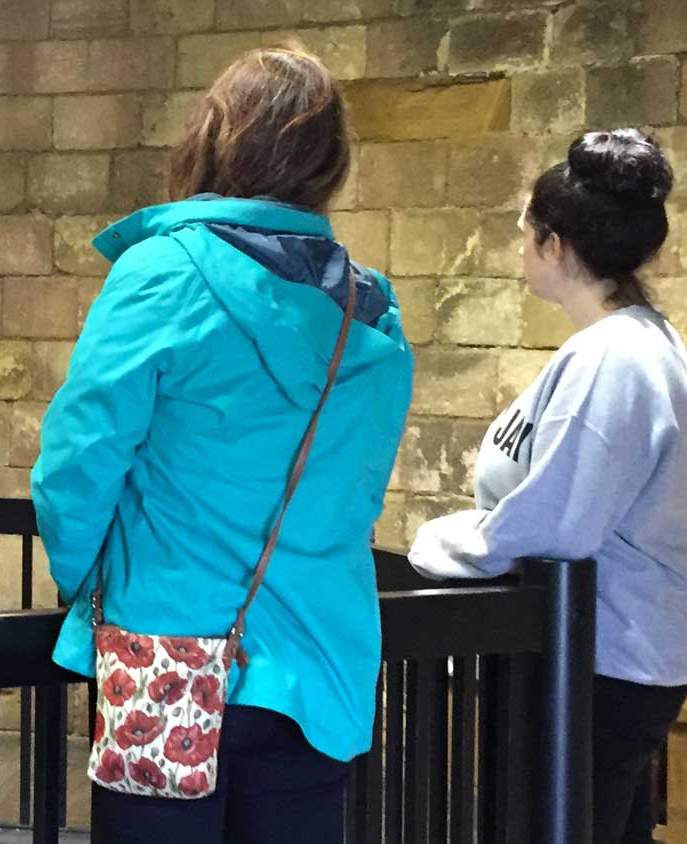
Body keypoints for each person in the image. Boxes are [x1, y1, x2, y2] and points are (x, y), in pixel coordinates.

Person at [31, 47, 415, 844]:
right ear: (330, 165)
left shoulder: (160, 273)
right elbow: (357, 497)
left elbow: (76, 467)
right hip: (319, 666)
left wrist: (93, 589)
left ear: (211, 138)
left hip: (165, 656)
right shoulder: (370, 315)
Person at [409, 130, 687, 844]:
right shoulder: (628, 346)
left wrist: (439, 541)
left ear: (556, 246)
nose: (518, 245)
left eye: (526, 231)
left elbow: (553, 526)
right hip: (611, 651)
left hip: (604, 660)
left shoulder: (614, 358)